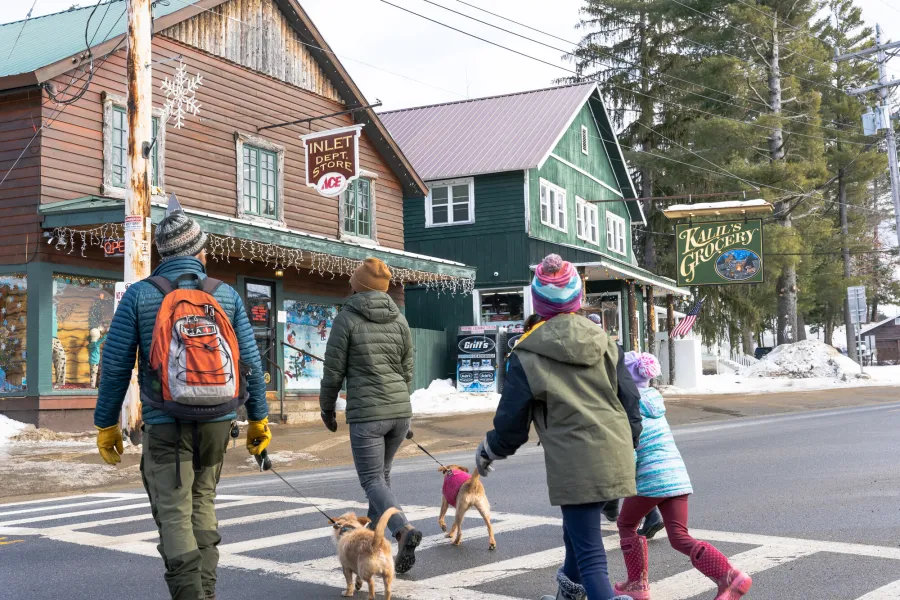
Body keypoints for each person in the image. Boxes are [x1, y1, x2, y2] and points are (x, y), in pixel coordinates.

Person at [94, 197, 270, 600]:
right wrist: (258, 420)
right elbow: (251, 366)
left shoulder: (140, 296)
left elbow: (116, 365)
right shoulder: (225, 295)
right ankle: (206, 591)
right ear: (198, 251)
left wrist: (106, 424)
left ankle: (193, 596)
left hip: (165, 421)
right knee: (203, 501)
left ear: (163, 254)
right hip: (216, 421)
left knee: (174, 512)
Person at [475, 254, 640, 600]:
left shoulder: (526, 354)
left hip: (576, 463)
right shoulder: (605, 342)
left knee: (592, 558)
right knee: (577, 536)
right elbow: (629, 398)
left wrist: (490, 449)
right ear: (578, 299)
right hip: (617, 452)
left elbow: (512, 423)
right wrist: (633, 442)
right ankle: (569, 593)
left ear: (538, 301)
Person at [614, 351, 752, 600]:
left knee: (626, 525)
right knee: (679, 537)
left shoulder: (627, 406)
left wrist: (621, 478)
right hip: (676, 476)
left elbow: (629, 449)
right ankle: (729, 576)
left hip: (650, 478)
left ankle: (637, 583)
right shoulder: (655, 400)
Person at [319, 257, 422, 574]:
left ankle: (403, 531)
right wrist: (401, 410)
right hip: (398, 412)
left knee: (372, 480)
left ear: (359, 285)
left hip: (368, 414)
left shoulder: (347, 318)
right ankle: (375, 545)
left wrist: (327, 407)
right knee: (383, 479)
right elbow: (407, 371)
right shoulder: (399, 319)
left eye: (353, 280)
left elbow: (333, 371)